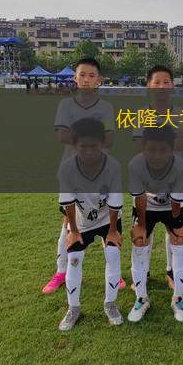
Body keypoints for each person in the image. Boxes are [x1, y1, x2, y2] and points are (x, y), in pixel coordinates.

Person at [43, 58, 123, 294]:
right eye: (82, 75)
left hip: (100, 169)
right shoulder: (66, 105)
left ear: (99, 80)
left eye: (91, 75)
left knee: (105, 217)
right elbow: (62, 136)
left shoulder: (105, 107)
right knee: (69, 221)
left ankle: (114, 272)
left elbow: (109, 139)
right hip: (72, 169)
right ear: (75, 77)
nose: (86, 79)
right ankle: (61, 270)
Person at [57, 118, 124, 330]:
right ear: (74, 146)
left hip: (108, 219)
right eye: (83, 146)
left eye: (94, 146)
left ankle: (110, 304)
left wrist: (112, 231)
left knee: (112, 253)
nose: (89, 152)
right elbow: (68, 202)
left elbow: (115, 201)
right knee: (74, 258)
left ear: (103, 144)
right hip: (81, 221)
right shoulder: (67, 169)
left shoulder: (112, 166)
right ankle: (73, 308)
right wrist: (73, 231)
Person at [131, 65, 183, 290]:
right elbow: (138, 146)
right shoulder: (141, 114)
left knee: (172, 228)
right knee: (144, 229)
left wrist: (161, 144)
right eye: (157, 82)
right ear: (149, 86)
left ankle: (171, 270)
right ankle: (143, 272)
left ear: (172, 86)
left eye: (166, 82)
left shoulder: (179, 113)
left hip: (173, 177)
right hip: (147, 180)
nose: (162, 86)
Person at [127, 126, 183, 322]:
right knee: (139, 241)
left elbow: (176, 203)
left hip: (173, 206)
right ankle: (141, 298)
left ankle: (178, 299)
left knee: (179, 240)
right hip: (146, 206)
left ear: (172, 149)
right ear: (143, 148)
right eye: (151, 150)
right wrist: (141, 227)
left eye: (163, 150)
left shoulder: (179, 165)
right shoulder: (135, 165)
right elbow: (140, 198)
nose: (157, 155)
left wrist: (176, 226)